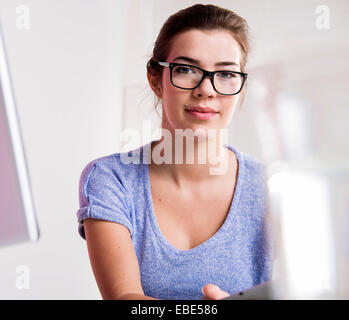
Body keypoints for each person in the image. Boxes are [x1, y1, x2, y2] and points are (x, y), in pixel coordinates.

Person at [76, 3, 273, 300]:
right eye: (186, 70)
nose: (207, 89)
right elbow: (126, 299)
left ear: (242, 87)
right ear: (155, 79)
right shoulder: (110, 179)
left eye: (226, 74)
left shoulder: (273, 187)